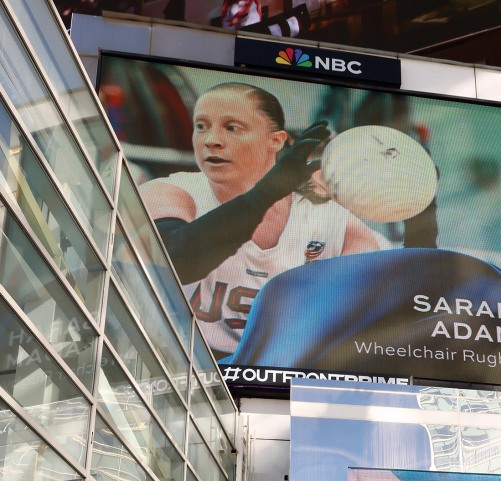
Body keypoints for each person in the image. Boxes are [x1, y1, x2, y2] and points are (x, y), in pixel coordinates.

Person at [140, 83, 382, 356]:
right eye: (201, 126)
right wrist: (267, 193)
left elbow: (368, 318)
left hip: (277, 375)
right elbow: (176, 261)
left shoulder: (335, 222)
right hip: (180, 372)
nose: (211, 140)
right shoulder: (170, 191)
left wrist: (419, 226)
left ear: (276, 141)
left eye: (232, 128)